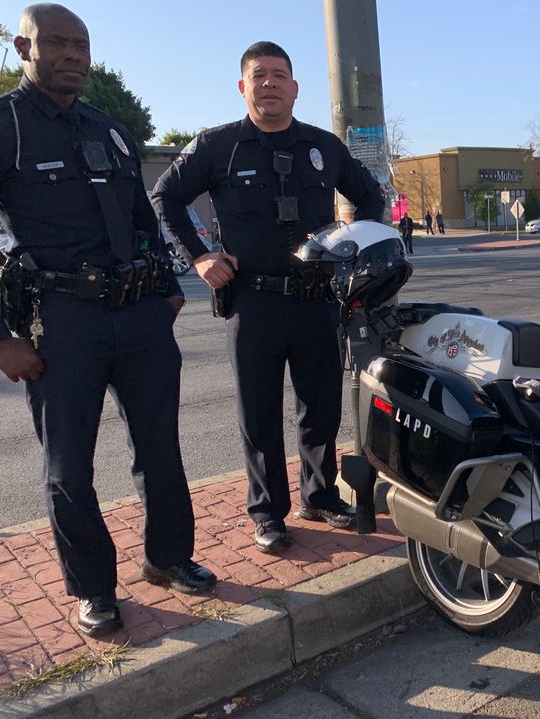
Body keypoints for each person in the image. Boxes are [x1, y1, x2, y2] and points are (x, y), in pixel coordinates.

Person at [0, 3, 215, 637]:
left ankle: (168, 559)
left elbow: (143, 218)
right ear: (24, 50)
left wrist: (167, 292)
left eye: (81, 44)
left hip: (139, 316)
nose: (73, 54)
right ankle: (94, 590)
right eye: (56, 43)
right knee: (68, 465)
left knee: (161, 448)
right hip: (61, 322)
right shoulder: (0, 128)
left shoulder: (110, 130)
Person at [151, 42, 384, 555]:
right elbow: (164, 196)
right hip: (251, 302)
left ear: (295, 88)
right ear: (243, 87)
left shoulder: (325, 147)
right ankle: (267, 512)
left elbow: (372, 197)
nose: (270, 84)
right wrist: (198, 256)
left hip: (317, 300)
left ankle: (319, 495)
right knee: (258, 412)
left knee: (320, 408)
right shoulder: (217, 146)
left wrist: (351, 244)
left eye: (280, 75)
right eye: (260, 76)